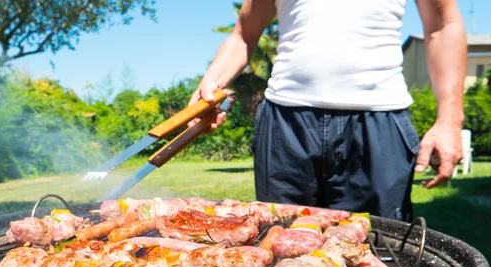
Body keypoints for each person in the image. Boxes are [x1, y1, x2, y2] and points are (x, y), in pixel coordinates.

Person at [188, 0, 466, 221]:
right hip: (286, 124)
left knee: (377, 252)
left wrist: (450, 121)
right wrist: (210, 83)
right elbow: (244, 34)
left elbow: (443, 26)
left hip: (378, 121)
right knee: (281, 251)